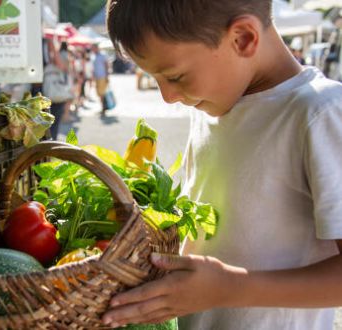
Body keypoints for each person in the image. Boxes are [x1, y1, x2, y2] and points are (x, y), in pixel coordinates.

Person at [102, 1, 342, 329]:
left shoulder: (319, 113)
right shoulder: (213, 108)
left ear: (242, 38)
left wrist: (230, 288)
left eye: (174, 76)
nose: (167, 96)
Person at [91, 43, 109, 115]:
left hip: (102, 76)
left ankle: (104, 108)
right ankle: (103, 107)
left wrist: (107, 76)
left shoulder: (102, 55)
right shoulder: (93, 56)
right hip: (97, 77)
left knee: (102, 93)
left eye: (93, 48)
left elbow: (106, 65)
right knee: (99, 93)